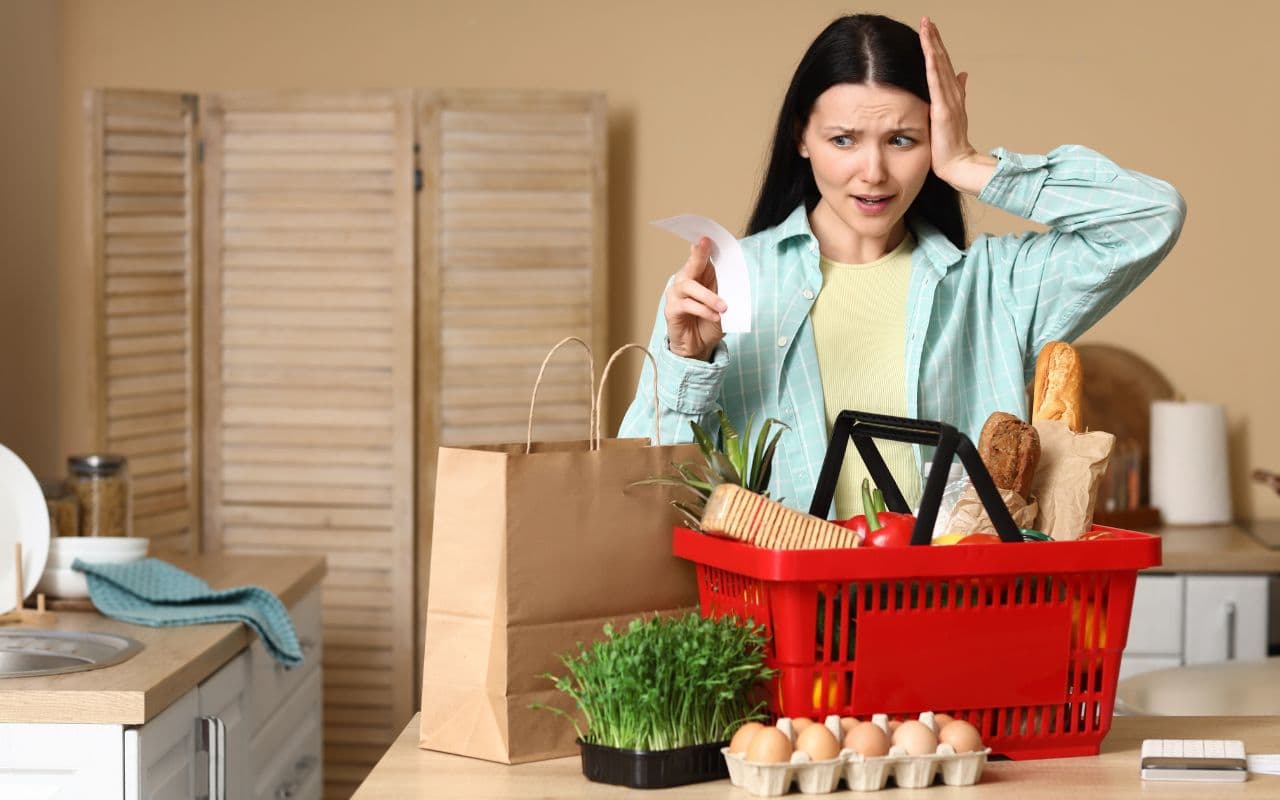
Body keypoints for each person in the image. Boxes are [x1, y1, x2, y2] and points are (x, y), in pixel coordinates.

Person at [619, 14, 1185, 519]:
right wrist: (688, 364)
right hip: (783, 621)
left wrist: (968, 163)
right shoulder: (731, 285)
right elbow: (640, 495)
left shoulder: (994, 288)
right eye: (843, 139)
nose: (873, 172)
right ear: (801, 137)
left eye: (902, 139)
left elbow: (1151, 217)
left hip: (952, 615)